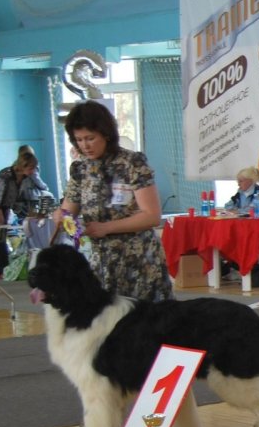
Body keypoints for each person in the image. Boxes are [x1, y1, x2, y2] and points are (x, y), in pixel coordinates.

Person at [52, 100, 173, 302]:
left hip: (138, 260)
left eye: (90, 138)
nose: (85, 146)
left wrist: (106, 227)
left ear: (106, 134)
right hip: (100, 261)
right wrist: (61, 217)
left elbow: (151, 216)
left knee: (149, 324)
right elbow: (68, 210)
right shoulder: (80, 168)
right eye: (79, 140)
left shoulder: (132, 163)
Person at [0, 152, 39, 277]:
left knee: (2, 236)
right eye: (31, 168)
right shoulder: (5, 175)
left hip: (6, 205)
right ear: (22, 166)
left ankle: (0, 266)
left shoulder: (26, 178)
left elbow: (26, 196)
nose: (33, 171)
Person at [15, 145, 54, 217]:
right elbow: (36, 179)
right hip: (31, 193)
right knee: (48, 196)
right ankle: (41, 217)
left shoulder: (16, 164)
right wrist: (45, 187)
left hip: (20, 194)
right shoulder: (32, 166)